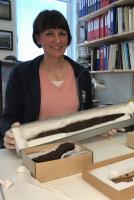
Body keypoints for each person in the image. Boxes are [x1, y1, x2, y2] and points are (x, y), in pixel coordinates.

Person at [1, 10, 93, 149]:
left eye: (62, 33)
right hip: (32, 149)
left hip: (75, 148)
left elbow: (89, 114)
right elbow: (8, 117)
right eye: (49, 33)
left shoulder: (82, 74)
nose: (57, 40)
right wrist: (9, 131)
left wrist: (104, 126)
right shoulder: (20, 73)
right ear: (38, 38)